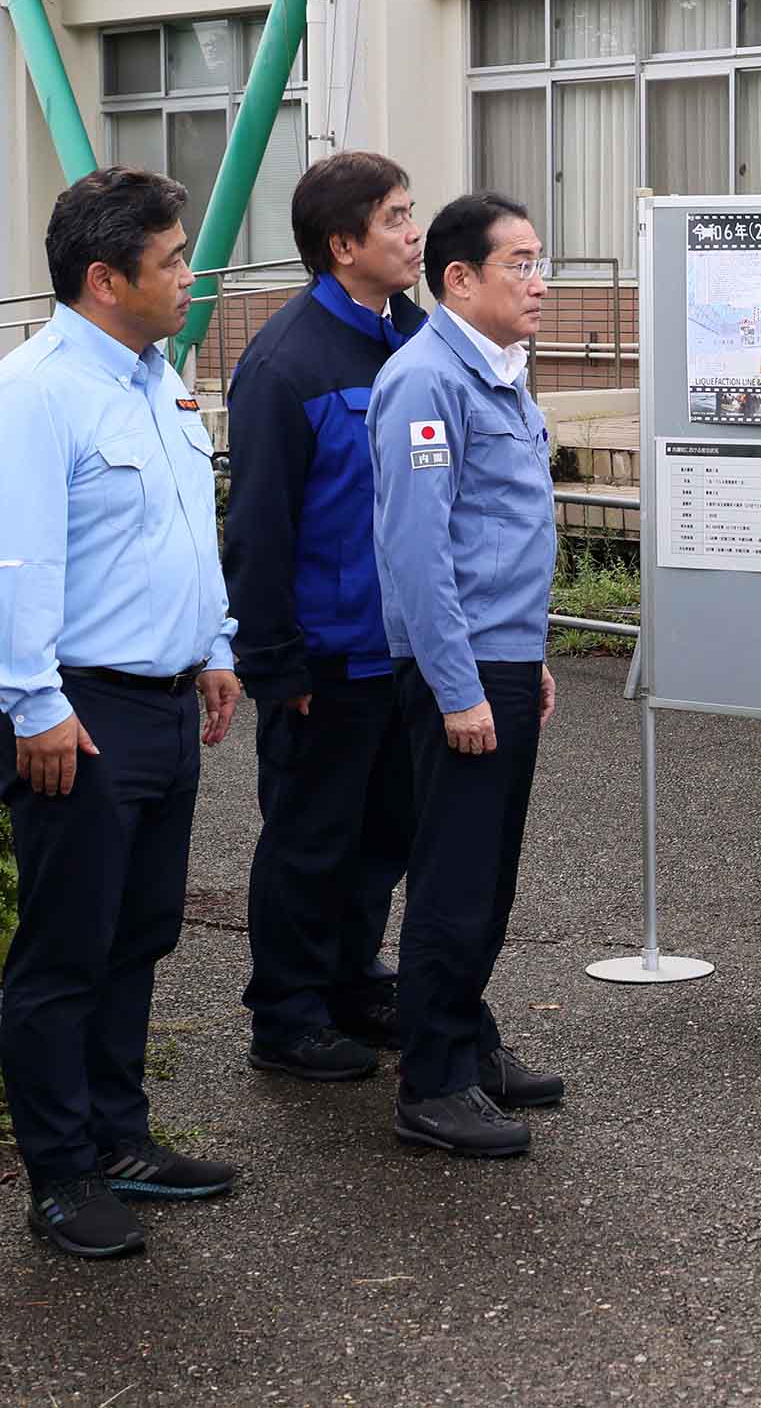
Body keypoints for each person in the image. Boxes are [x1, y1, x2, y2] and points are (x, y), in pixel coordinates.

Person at [0, 167, 245, 1258]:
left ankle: (119, 1137)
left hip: (161, 700)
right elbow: (13, 563)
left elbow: (180, 534)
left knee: (138, 934)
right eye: (174, 260)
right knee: (64, 950)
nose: (192, 277)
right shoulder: (37, 389)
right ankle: (58, 1174)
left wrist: (216, 649)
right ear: (107, 279)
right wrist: (34, 705)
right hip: (78, 712)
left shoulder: (157, 379)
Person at [225, 153, 428, 1082]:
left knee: (385, 833)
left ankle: (353, 978)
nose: (412, 232)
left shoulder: (418, 339)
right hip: (327, 657)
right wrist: (274, 663)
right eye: (393, 219)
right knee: (309, 841)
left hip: (404, 654)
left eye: (410, 213)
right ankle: (287, 1013)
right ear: (343, 246)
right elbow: (258, 529)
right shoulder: (285, 362)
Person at [369, 191, 562, 1158]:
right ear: (460, 279)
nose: (540, 281)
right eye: (519, 263)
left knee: (489, 873)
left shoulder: (498, 370)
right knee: (451, 877)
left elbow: (504, 535)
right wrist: (460, 687)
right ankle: (433, 1080)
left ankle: (467, 1041)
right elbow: (417, 554)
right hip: (462, 670)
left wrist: (528, 657)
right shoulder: (425, 382)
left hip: (503, 658)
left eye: (539, 260)